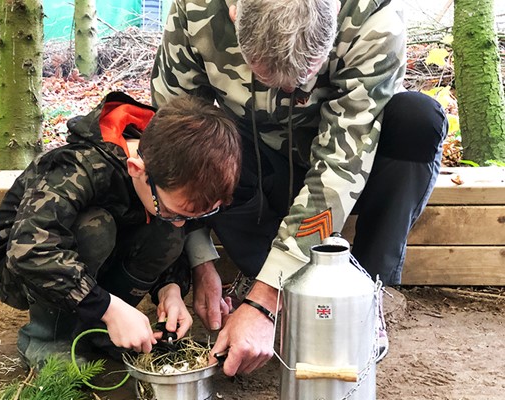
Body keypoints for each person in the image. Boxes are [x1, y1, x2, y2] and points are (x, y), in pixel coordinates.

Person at [151, 0, 448, 376]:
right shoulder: (194, 8)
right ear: (234, 12)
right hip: (255, 159)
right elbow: (175, 139)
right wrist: (200, 258)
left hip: (348, 164)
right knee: (205, 138)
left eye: (304, 77)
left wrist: (264, 301)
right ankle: (259, 267)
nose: (292, 91)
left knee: (417, 121)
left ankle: (362, 296)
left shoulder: (376, 17)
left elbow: (342, 163)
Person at [0, 92, 241, 368]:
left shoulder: (171, 170)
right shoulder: (81, 166)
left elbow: (168, 227)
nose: (180, 222)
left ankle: (97, 331)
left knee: (168, 234)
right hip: (18, 265)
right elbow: (29, 251)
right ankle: (48, 338)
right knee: (95, 227)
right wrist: (107, 308)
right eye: (173, 211)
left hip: (95, 261)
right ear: (136, 169)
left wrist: (170, 288)